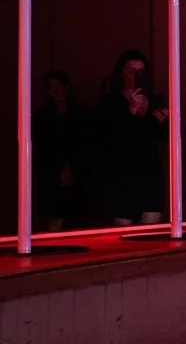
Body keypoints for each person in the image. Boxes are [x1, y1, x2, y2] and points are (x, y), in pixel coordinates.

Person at [96, 50, 169, 224]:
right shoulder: (110, 102)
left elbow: (162, 138)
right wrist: (131, 111)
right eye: (131, 71)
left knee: (151, 227)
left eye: (141, 71)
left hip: (149, 171)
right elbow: (109, 138)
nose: (136, 76)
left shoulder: (154, 101)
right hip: (122, 174)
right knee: (124, 228)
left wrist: (162, 121)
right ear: (121, 73)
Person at [32, 71, 93, 228]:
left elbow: (88, 144)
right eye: (50, 88)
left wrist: (71, 167)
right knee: (54, 217)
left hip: (80, 174)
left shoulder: (82, 113)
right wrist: (60, 168)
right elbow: (43, 146)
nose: (55, 92)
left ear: (67, 87)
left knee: (78, 220)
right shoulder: (42, 115)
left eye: (58, 86)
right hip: (51, 174)